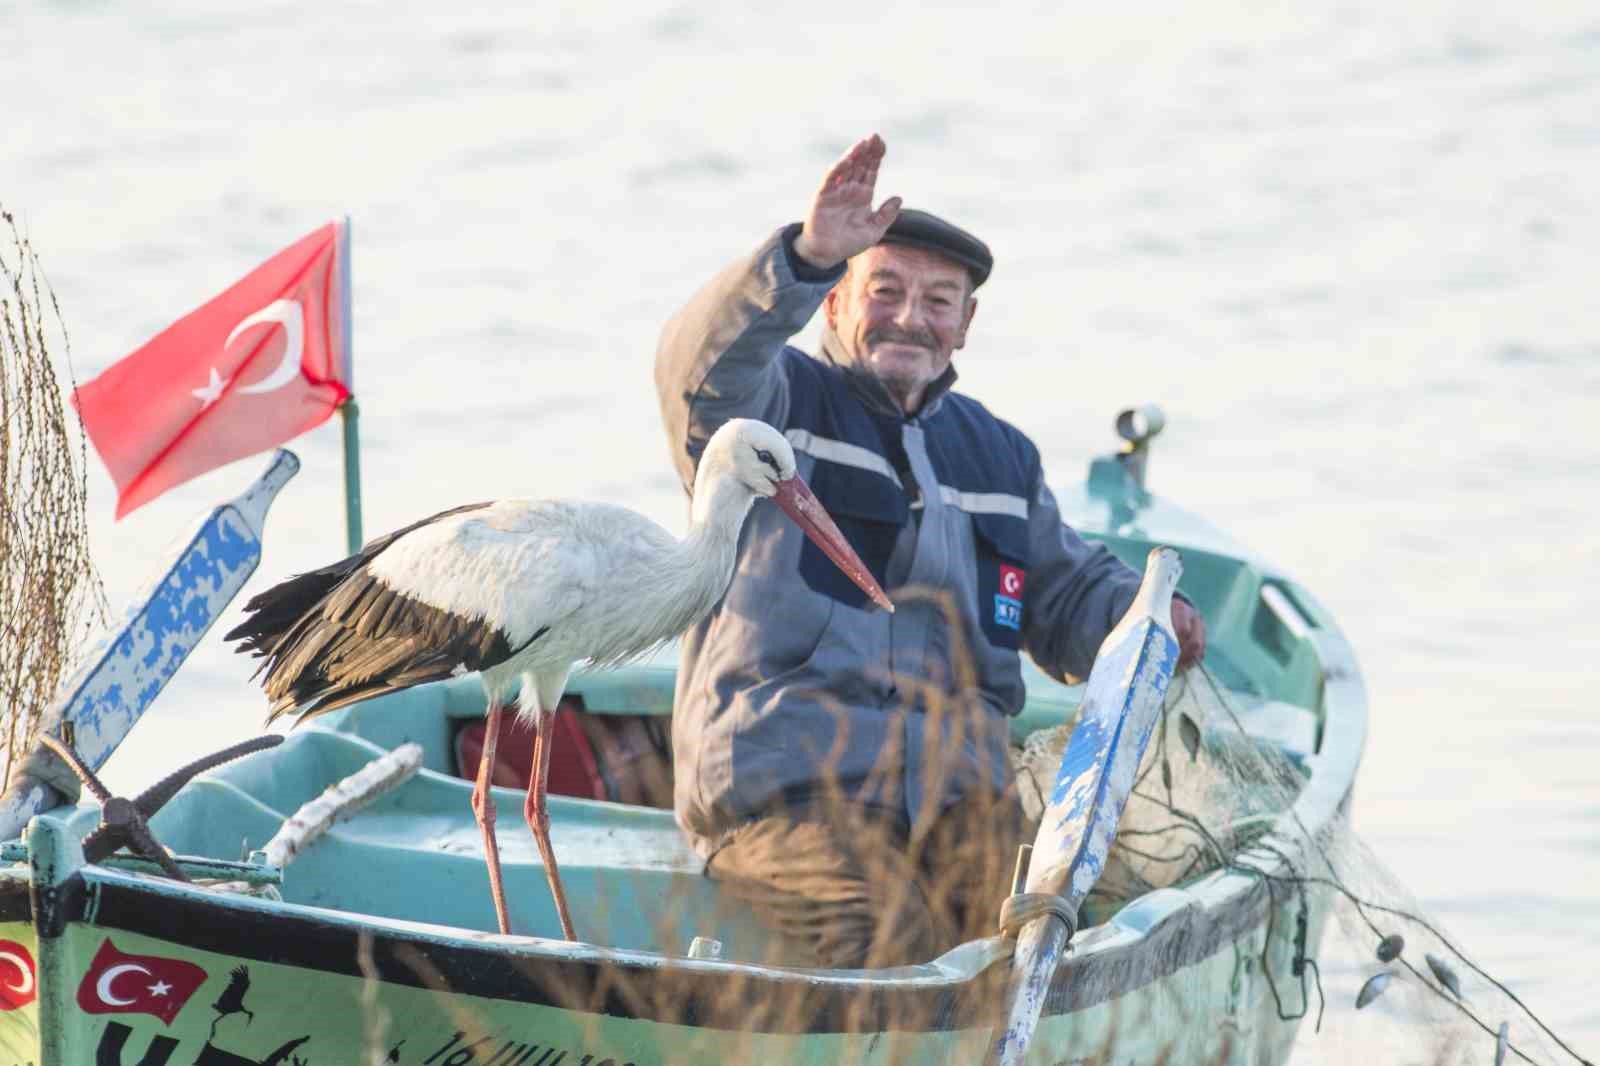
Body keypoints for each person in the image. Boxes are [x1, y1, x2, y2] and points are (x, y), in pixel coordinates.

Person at [654, 133, 1205, 969]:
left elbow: (1064, 595)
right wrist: (802, 257)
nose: (912, 317)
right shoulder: (776, 408)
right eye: (885, 289)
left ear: (966, 325)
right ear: (835, 303)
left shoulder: (1000, 454)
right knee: (888, 940)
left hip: (959, 801)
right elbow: (698, 372)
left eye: (940, 300)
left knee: (1049, 938)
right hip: (789, 797)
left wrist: (1150, 617)